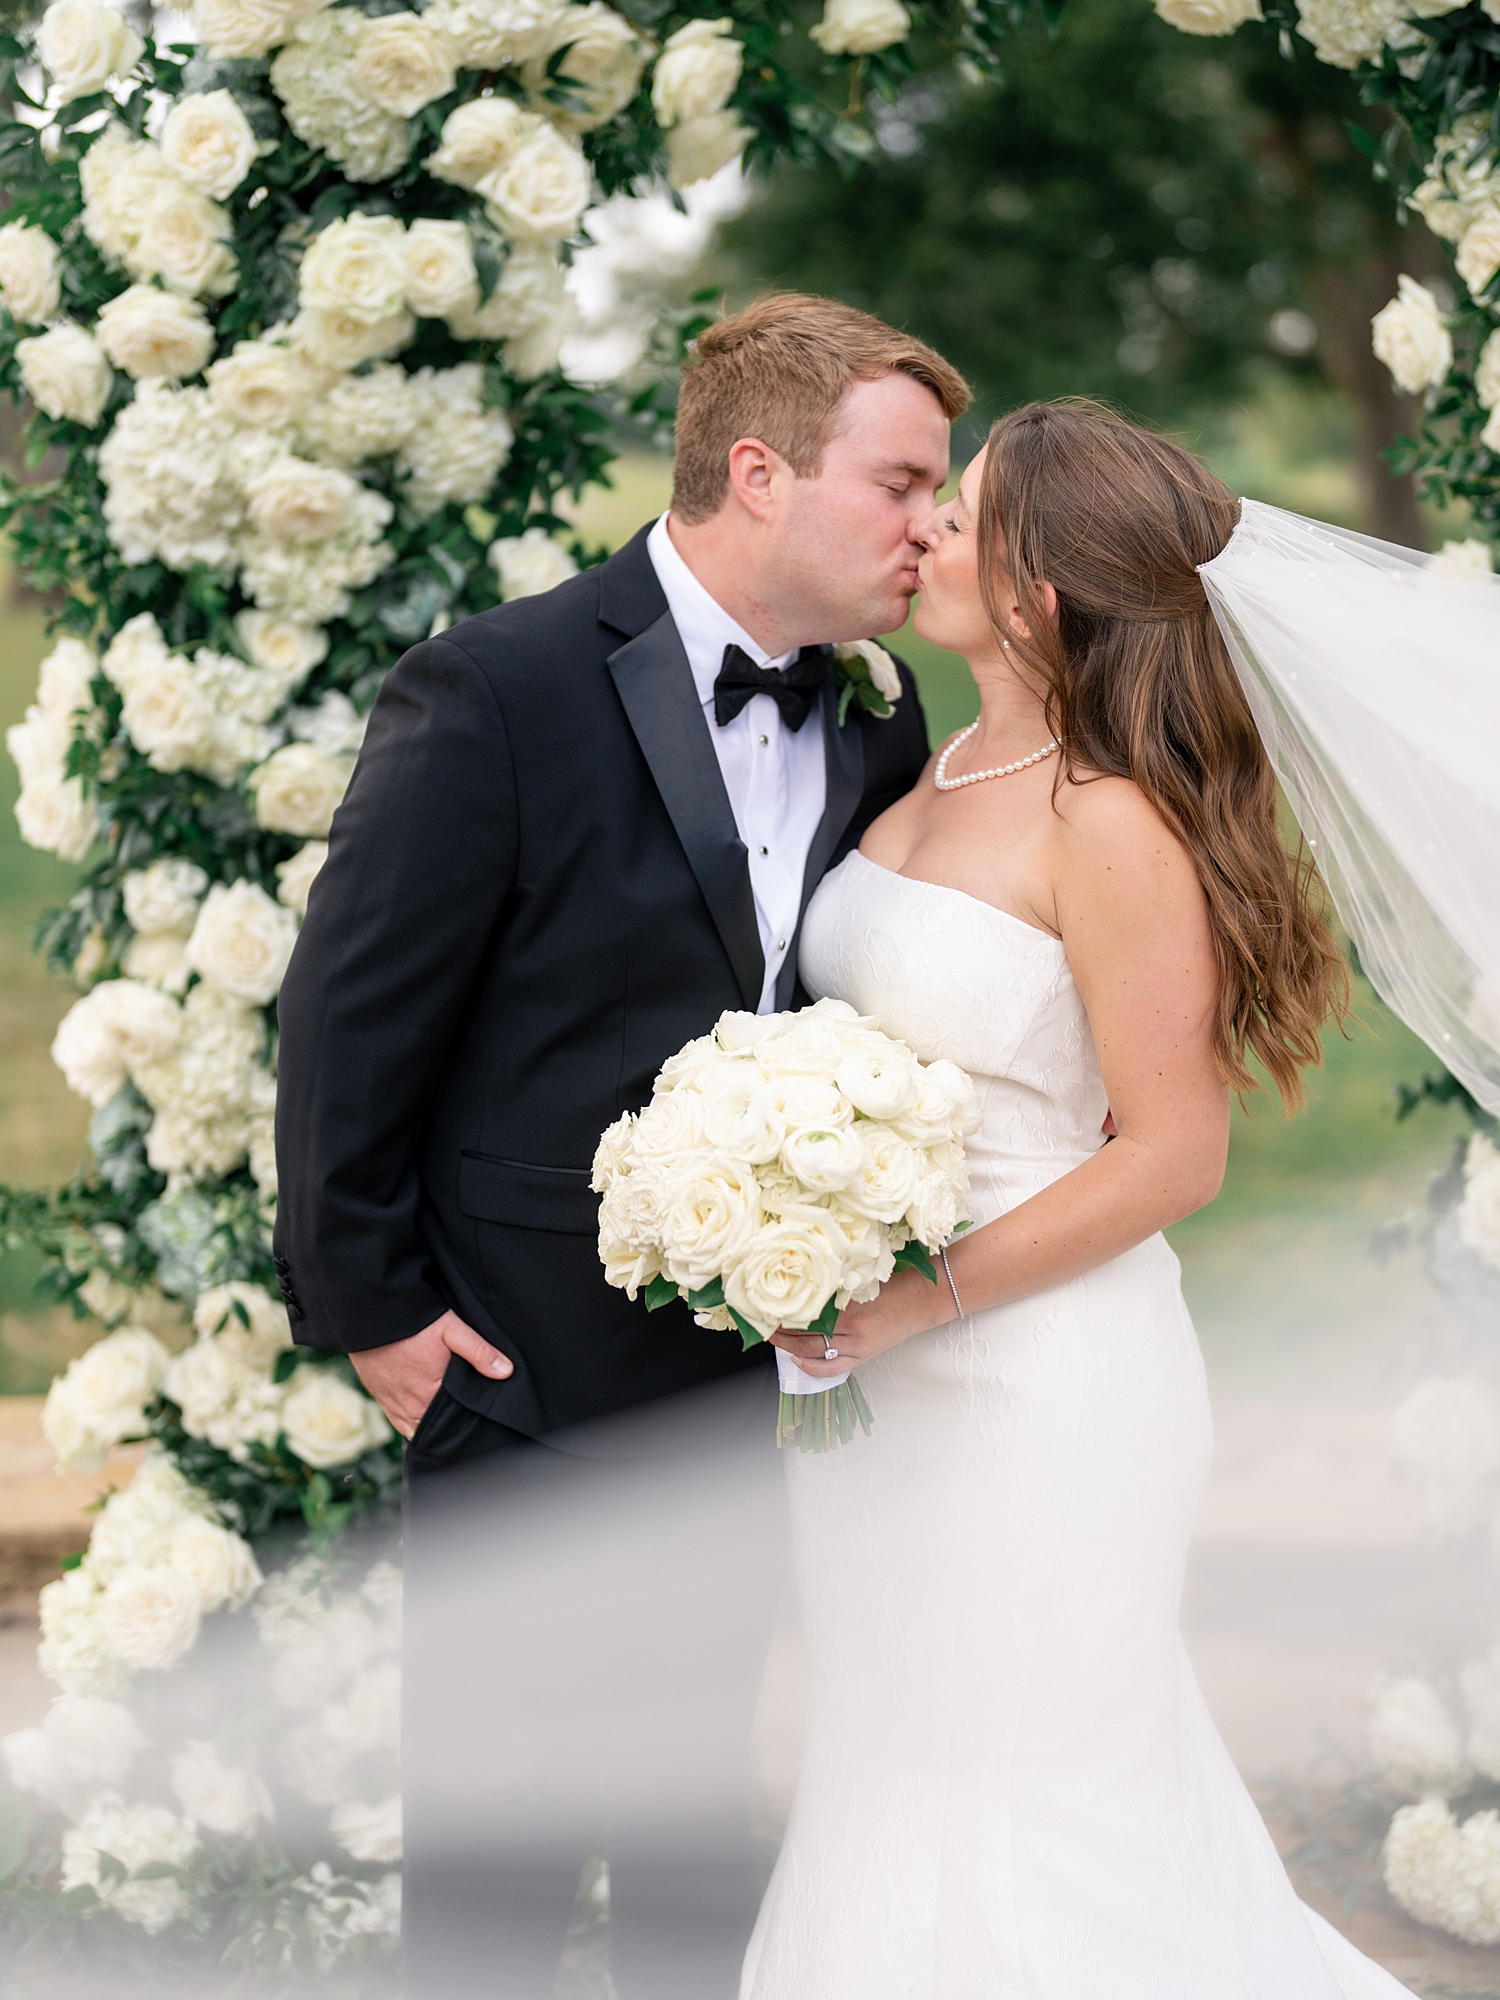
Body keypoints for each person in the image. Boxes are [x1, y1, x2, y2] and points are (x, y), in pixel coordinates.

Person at [271, 293, 970, 1998]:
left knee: (694, 1858)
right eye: (900, 484)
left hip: (752, 1384)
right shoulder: (498, 686)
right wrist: (373, 1312)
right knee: (496, 1874)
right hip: (514, 1373)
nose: (932, 527)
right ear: (758, 471)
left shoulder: (877, 715)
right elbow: (352, 1017)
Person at [754, 400, 1416, 1996]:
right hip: (886, 1378)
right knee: (893, 1769)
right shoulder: (946, 751)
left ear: (1042, 595)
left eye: (964, 519)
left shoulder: (1107, 821)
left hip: (1037, 1385)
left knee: (1041, 1803)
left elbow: (1174, 1150)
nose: (927, 535)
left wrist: (925, 1292)